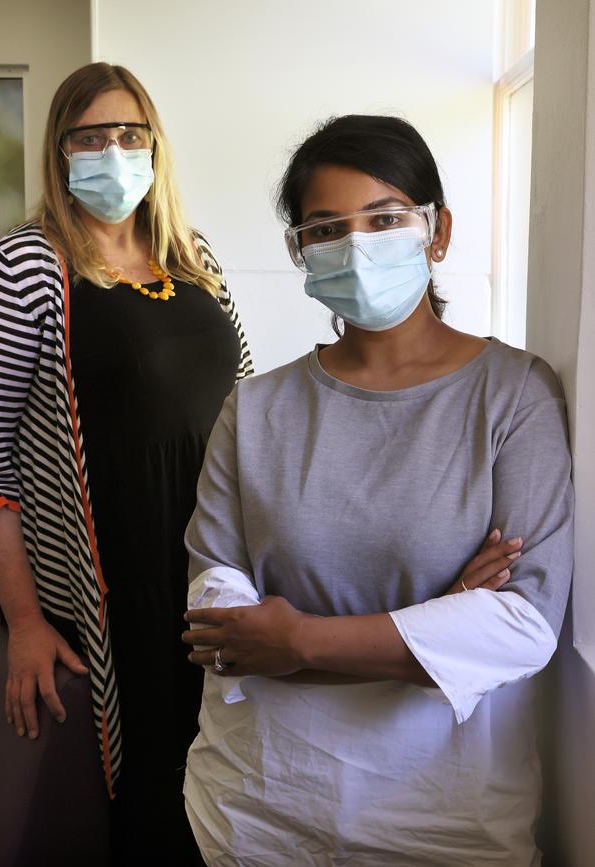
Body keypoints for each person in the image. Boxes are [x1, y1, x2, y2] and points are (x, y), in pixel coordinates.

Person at [181, 115, 573, 866]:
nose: (357, 245)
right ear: (300, 252)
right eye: (326, 228)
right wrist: (431, 623)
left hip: (443, 817)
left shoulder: (515, 395)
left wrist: (296, 641)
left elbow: (521, 625)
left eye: (385, 218)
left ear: (438, 230)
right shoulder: (256, 408)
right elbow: (218, 621)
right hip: (259, 807)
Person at [0, 62, 252, 865]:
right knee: (150, 806)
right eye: (90, 137)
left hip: (217, 577)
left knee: (230, 790)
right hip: (115, 594)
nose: (112, 152)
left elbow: (250, 405)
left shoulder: (196, 257)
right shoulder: (19, 269)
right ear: (59, 153)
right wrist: (22, 620)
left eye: (130, 134)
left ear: (154, 147)